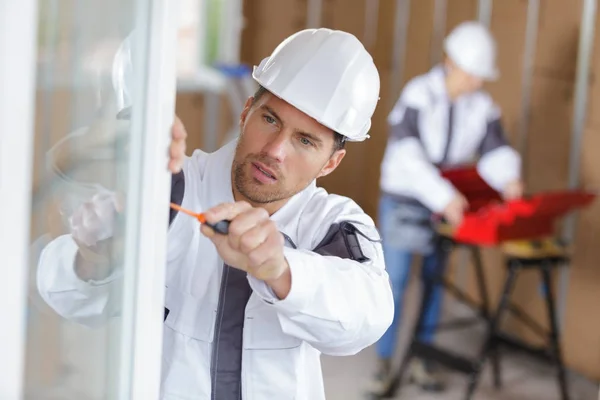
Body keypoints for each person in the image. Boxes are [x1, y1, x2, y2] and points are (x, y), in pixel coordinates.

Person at [36, 28, 394, 400]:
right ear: (245, 113)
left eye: (305, 141)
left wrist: (280, 270)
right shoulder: (172, 187)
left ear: (331, 163)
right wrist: (93, 258)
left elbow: (366, 320)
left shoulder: (332, 226)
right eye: (270, 120)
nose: (275, 151)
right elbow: (64, 295)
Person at [370, 21, 524, 394]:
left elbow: (495, 150)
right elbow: (407, 156)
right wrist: (445, 196)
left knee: (435, 283)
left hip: (445, 205)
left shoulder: (481, 106)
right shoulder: (418, 95)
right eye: (470, 74)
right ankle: (386, 362)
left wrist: (509, 179)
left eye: (479, 76)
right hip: (407, 201)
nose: (475, 83)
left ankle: (424, 358)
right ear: (449, 62)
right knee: (395, 282)